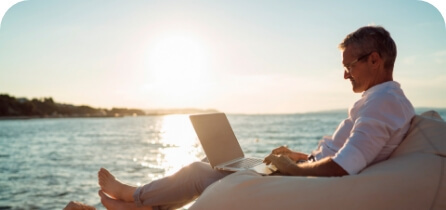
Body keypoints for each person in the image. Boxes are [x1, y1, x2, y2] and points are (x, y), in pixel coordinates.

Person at [97, 25, 415, 210]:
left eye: (350, 65)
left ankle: (134, 198)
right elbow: (343, 156)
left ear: (375, 60)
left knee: (197, 172)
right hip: (303, 173)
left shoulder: (383, 103)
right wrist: (298, 158)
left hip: (304, 186)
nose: (345, 74)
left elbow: (344, 166)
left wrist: (294, 170)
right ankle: (139, 201)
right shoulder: (382, 100)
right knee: (215, 166)